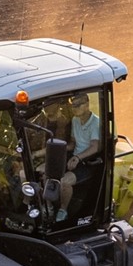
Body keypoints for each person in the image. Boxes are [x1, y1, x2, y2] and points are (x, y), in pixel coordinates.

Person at [57, 93, 100, 221]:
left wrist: (78, 158)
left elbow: (95, 147)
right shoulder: (75, 120)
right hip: (75, 157)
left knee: (64, 181)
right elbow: (73, 143)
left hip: (89, 162)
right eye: (73, 105)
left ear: (87, 105)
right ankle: (47, 206)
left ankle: (62, 211)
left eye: (78, 105)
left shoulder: (96, 123)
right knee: (45, 171)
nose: (74, 108)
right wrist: (57, 148)